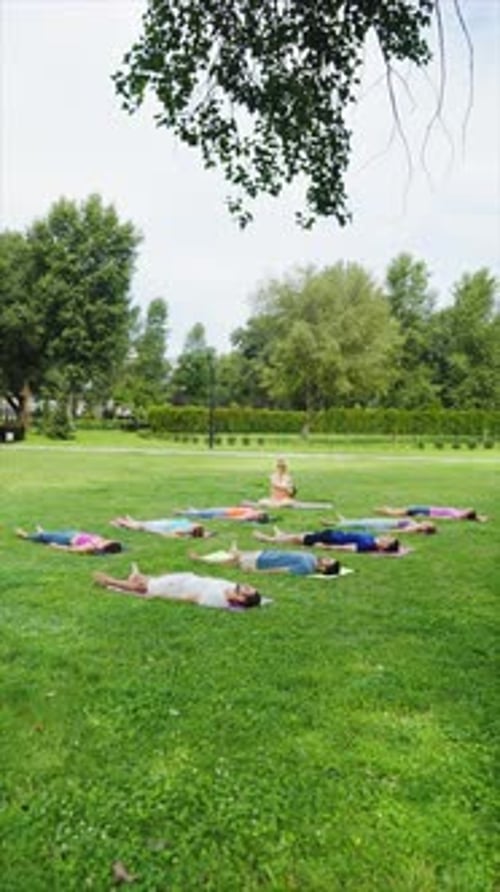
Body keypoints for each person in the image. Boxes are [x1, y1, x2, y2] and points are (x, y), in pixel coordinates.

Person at [92, 564, 263, 609]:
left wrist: (160, 597)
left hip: (176, 588)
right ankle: (135, 577)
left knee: (143, 588)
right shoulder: (232, 586)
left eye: (247, 590)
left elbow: (187, 599)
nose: (246, 585)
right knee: (146, 581)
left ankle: (110, 581)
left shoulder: (216, 600)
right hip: (186, 577)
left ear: (241, 598)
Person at [189, 544, 341, 576]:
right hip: (266, 554)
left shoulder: (306, 567)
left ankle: (201, 560)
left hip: (261, 562)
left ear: (323, 569)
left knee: (230, 561)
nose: (327, 558)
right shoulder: (312, 558)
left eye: (329, 562)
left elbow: (281, 570)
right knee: (239, 554)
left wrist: (257, 572)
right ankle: (236, 551)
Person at [253, 526, 401, 554]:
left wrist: (325, 547)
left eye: (388, 540)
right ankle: (282, 535)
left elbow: (347, 548)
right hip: (332, 534)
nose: (386, 537)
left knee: (299, 538)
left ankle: (269, 539)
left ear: (384, 547)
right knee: (304, 535)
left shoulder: (368, 546)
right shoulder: (373, 540)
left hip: (331, 540)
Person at [16, 526, 123, 555]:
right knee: (54, 533)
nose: (107, 540)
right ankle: (43, 532)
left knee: (47, 537)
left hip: (67, 539)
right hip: (74, 534)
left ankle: (25, 535)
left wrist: (57, 547)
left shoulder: (91, 547)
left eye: (108, 541)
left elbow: (72, 550)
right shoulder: (102, 542)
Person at [110, 515, 212, 538]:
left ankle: (123, 522)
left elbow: (201, 530)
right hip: (159, 525)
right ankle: (123, 522)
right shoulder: (184, 529)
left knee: (141, 525)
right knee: (140, 525)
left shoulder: (185, 525)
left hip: (160, 524)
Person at [320, 515, 436, 534]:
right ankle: (344, 520)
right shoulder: (416, 524)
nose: (426, 521)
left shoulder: (415, 528)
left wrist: (385, 531)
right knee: (363, 521)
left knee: (362, 524)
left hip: (385, 525)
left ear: (426, 528)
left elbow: (400, 531)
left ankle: (332, 524)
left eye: (428, 523)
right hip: (386, 522)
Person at [375, 505, 488, 522]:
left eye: (467, 510)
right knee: (403, 510)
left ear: (466, 514)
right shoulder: (460, 513)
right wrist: (480, 518)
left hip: (426, 511)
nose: (466, 508)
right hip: (427, 508)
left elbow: (441, 517)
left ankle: (383, 510)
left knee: (401, 512)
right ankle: (385, 510)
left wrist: (426, 516)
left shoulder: (457, 516)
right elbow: (475, 517)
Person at [174, 506, 271, 523]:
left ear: (259, 516)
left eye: (262, 513)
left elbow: (237, 519)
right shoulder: (252, 511)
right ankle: (193, 511)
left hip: (224, 512)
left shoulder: (249, 516)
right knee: (206, 511)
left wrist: (221, 517)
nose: (261, 511)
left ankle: (182, 512)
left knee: (204, 514)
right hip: (226, 509)